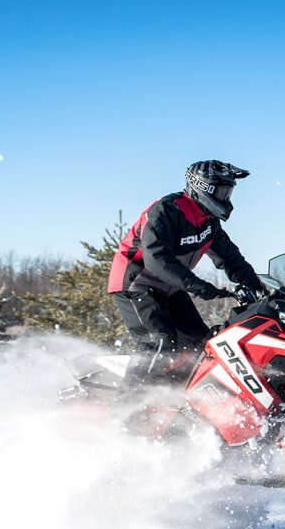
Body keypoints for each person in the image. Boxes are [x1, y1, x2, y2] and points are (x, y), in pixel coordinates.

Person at [107, 159, 267, 394]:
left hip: (170, 287)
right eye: (221, 191)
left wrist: (258, 289)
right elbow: (156, 258)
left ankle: (176, 402)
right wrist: (197, 286)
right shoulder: (167, 210)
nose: (226, 198)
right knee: (159, 343)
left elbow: (232, 259)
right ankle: (124, 410)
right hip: (136, 283)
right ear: (201, 187)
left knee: (203, 346)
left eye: (228, 192)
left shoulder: (209, 224)